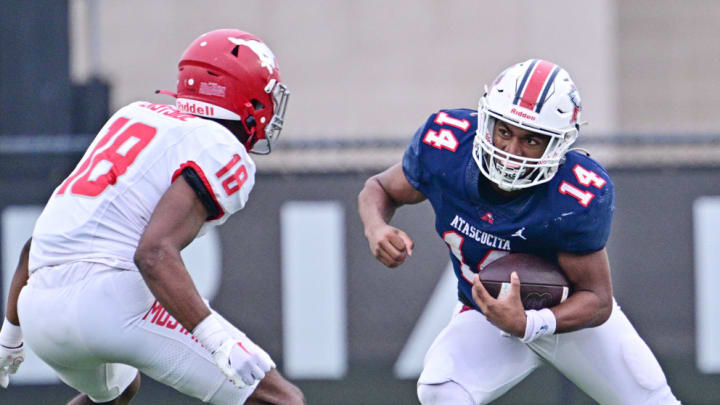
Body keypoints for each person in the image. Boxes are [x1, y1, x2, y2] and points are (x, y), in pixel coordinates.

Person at [0, 28, 304, 405]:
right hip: (105, 302)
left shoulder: (133, 116)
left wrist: (10, 337)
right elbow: (155, 254)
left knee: (119, 388)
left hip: (36, 312)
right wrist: (219, 341)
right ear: (246, 97)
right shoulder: (220, 147)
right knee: (280, 399)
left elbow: (36, 245)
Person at [358, 59, 680, 404]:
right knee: (441, 391)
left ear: (558, 144)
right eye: (505, 131)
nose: (511, 152)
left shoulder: (577, 192)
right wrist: (376, 227)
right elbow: (379, 187)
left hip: (570, 320)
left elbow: (597, 301)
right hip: (489, 316)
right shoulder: (446, 146)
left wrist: (530, 323)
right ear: (487, 122)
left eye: (531, 140)